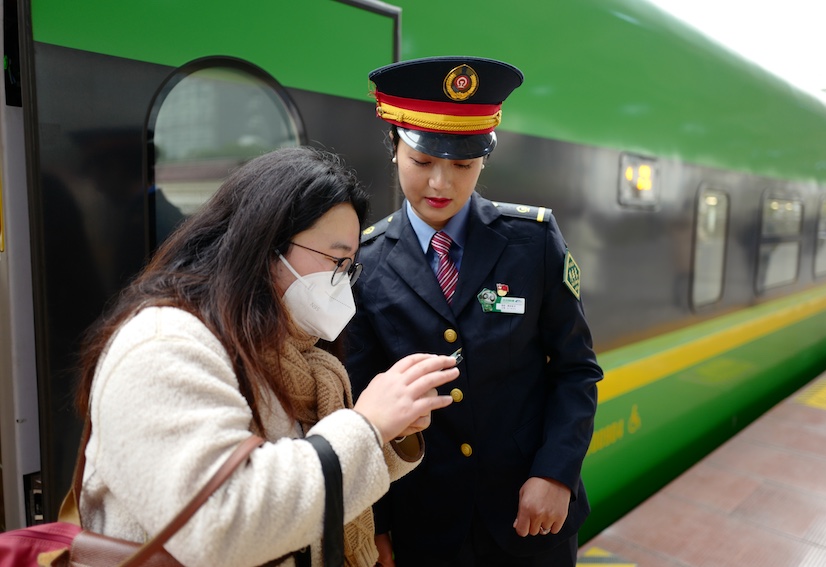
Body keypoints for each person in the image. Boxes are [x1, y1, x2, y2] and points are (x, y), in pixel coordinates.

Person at [73, 145, 460, 567]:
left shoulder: (289, 352)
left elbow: (303, 485)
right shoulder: (164, 346)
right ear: (266, 244)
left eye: (350, 267)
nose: (342, 284)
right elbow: (221, 526)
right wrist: (366, 426)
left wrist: (390, 433)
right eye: (335, 261)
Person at [345, 56, 604, 567]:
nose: (440, 183)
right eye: (422, 162)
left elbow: (576, 370)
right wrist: (374, 524)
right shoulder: (365, 264)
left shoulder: (533, 242)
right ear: (394, 148)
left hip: (530, 521)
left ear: (484, 159)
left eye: (462, 165)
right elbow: (358, 403)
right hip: (424, 527)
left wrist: (556, 473)